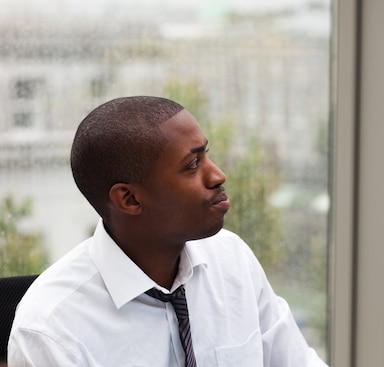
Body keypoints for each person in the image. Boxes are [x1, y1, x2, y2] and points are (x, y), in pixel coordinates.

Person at [8, 96, 328, 367]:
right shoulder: (51, 328)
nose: (217, 175)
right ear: (130, 199)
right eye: (192, 165)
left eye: (206, 154)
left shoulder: (231, 258)